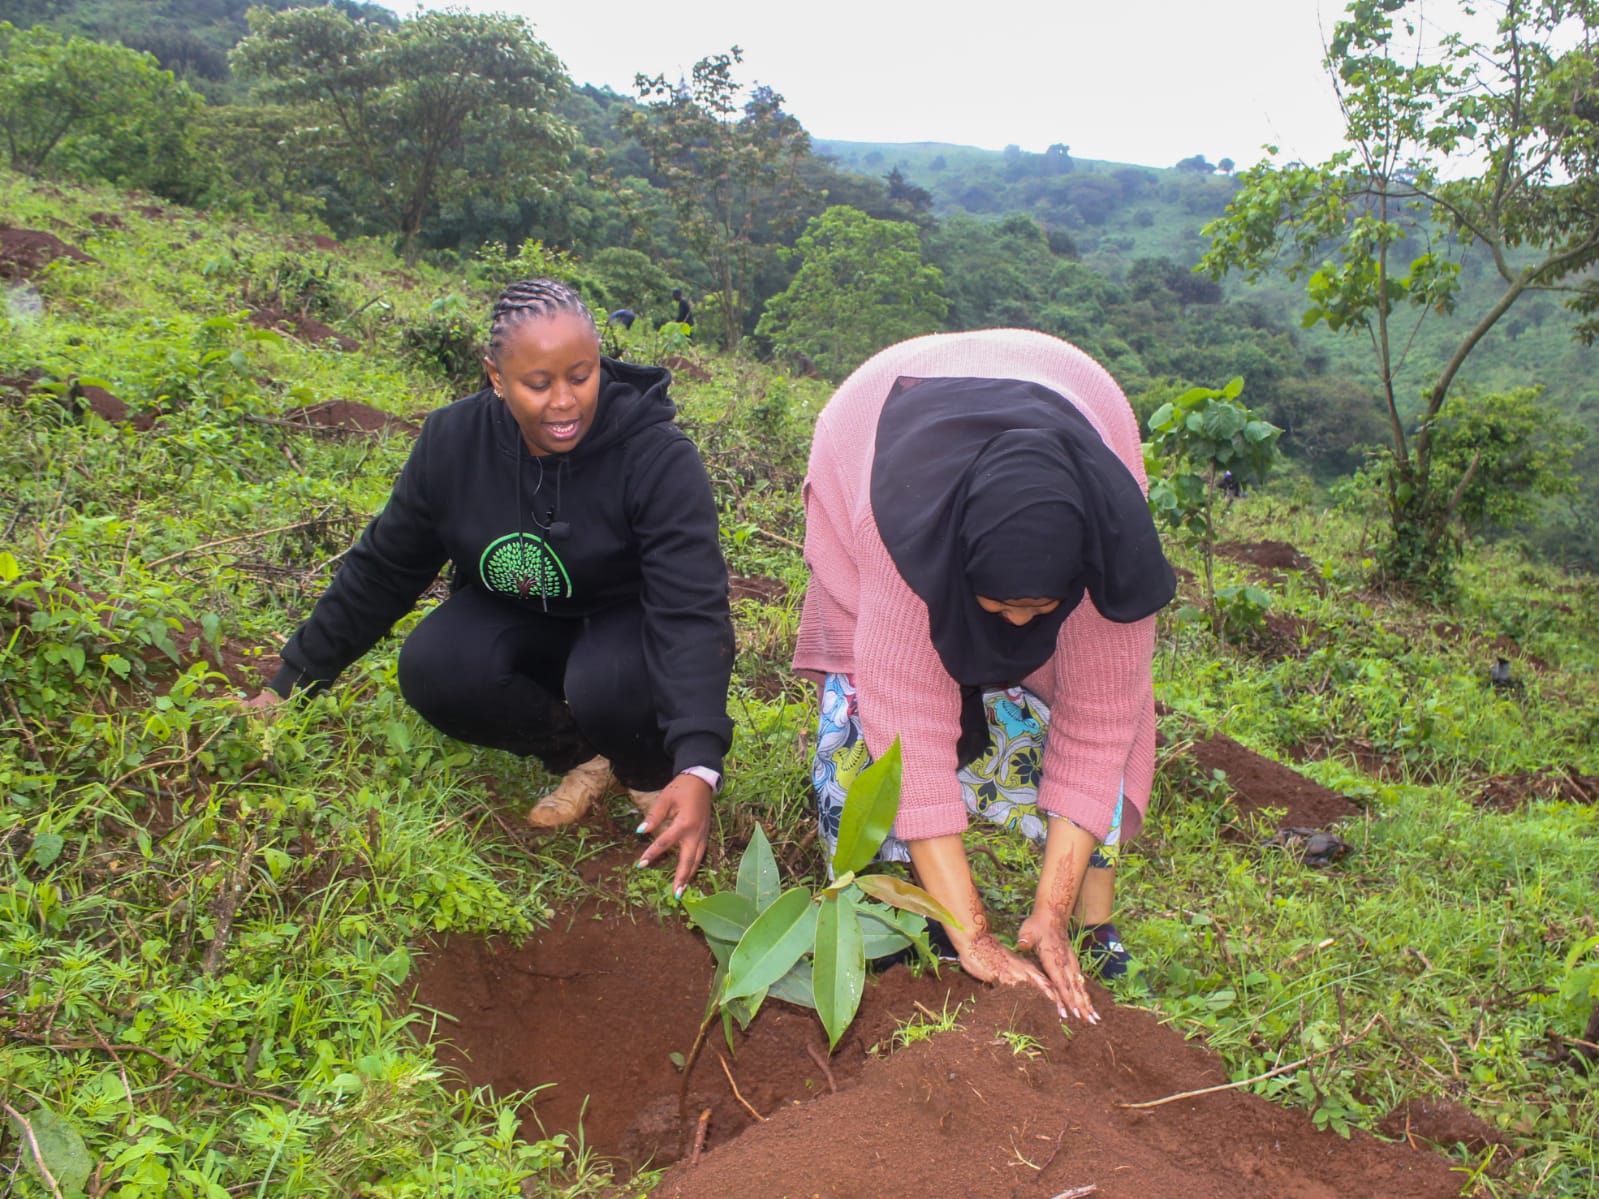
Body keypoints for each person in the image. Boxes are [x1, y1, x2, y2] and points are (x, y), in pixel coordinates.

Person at [246, 279, 734, 896]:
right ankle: (581, 753)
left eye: (581, 376)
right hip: (516, 613)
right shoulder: (453, 442)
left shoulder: (658, 457)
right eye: (538, 384)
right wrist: (290, 682)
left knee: (608, 684)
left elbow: (691, 610)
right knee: (435, 667)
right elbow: (384, 567)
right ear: (497, 377)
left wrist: (698, 763)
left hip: (625, 626)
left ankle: (645, 766)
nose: (565, 403)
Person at [794, 329, 1175, 1023]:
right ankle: (895, 905)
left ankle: (1093, 922)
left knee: (1114, 716)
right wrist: (972, 929)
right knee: (864, 727)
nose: (1019, 622)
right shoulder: (901, 535)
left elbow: (1096, 729)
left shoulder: (1109, 546)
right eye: (998, 605)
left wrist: (1048, 912)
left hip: (1067, 401)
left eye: (1041, 606)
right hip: (875, 437)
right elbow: (906, 735)